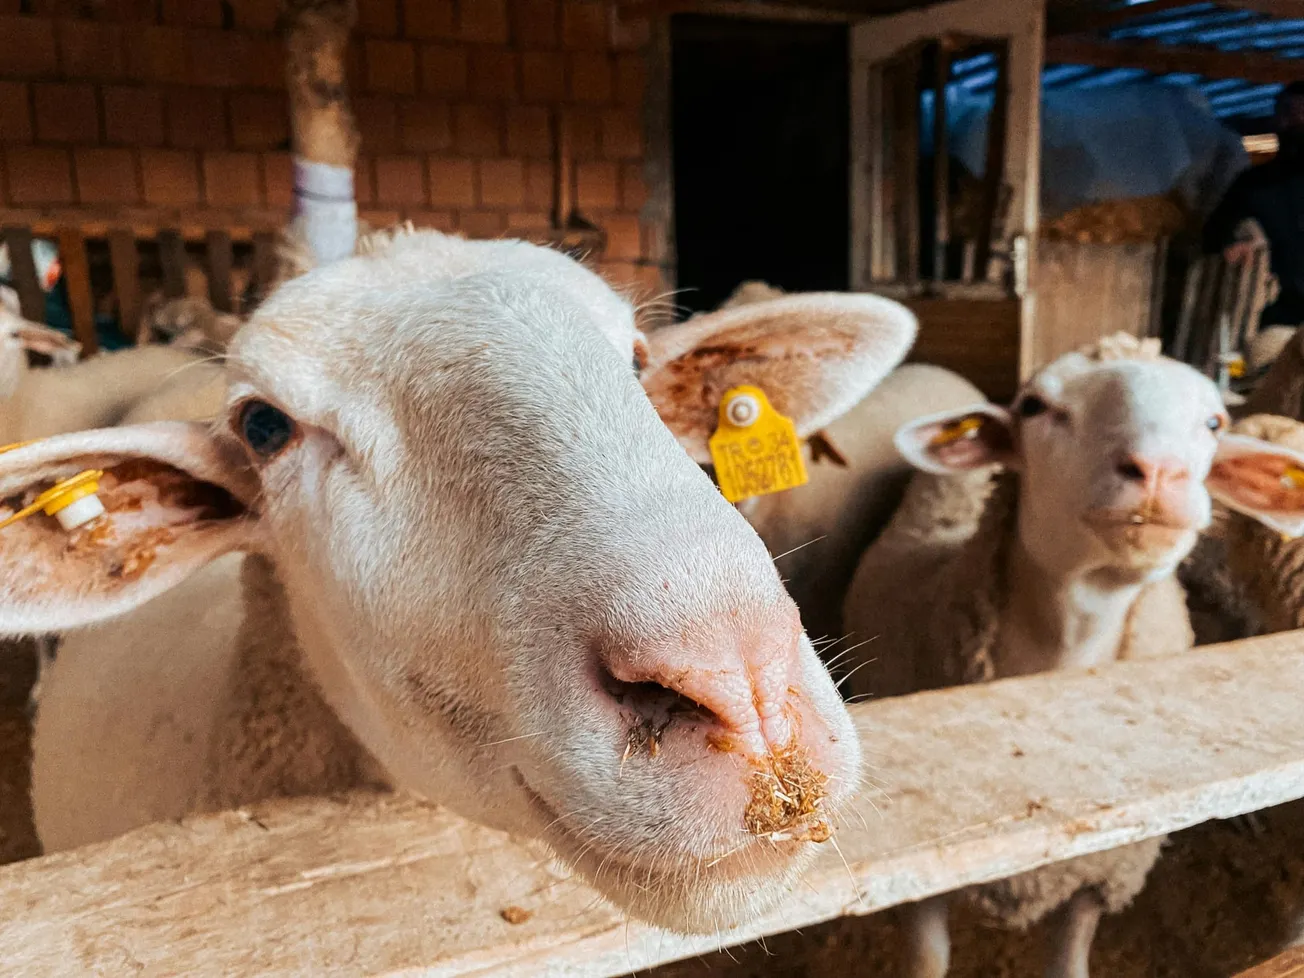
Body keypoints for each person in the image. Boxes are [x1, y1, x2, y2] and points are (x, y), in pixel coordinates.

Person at [1204, 80, 1304, 328]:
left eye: (1298, 115)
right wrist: (1237, 240)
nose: (1289, 123)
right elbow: (1214, 234)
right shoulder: (1255, 183)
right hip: (1280, 315)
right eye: (1285, 114)